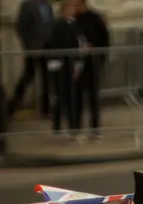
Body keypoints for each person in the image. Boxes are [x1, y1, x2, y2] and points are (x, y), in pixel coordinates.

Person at [8, 0, 55, 119]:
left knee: (47, 78)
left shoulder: (48, 6)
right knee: (28, 76)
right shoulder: (28, 6)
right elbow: (21, 27)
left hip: (48, 47)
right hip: (34, 48)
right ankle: (11, 106)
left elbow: (51, 26)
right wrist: (29, 45)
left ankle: (46, 109)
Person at [45, 0, 83, 137]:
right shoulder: (58, 25)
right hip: (60, 64)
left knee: (69, 97)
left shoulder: (74, 24)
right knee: (60, 96)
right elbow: (52, 44)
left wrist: (78, 64)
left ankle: (72, 126)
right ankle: (58, 125)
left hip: (70, 64)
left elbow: (76, 45)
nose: (72, 9)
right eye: (70, 7)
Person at [75, 0, 109, 139]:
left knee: (93, 97)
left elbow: (104, 38)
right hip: (77, 63)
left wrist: (100, 55)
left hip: (93, 62)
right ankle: (76, 127)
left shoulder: (95, 18)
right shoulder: (73, 19)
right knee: (76, 97)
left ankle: (95, 128)